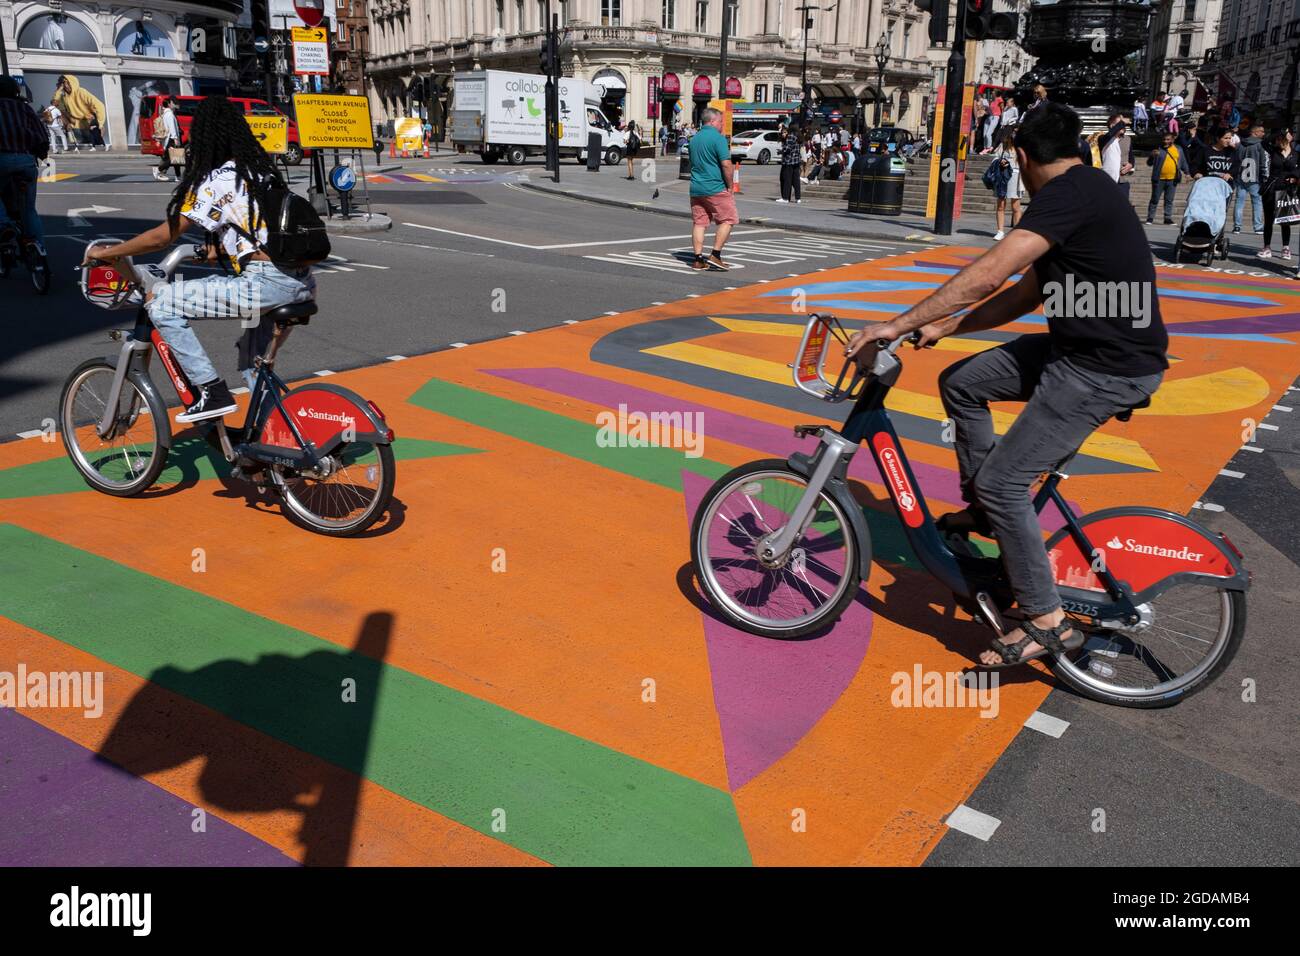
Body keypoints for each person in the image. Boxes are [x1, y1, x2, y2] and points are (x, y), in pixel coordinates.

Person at [844, 101, 1168, 668]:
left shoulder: (1066, 197)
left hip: (1103, 367)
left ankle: (1046, 618)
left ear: (1020, 155)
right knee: (964, 383)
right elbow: (1024, 294)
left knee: (1004, 481)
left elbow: (992, 272)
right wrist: (947, 325)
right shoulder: (1086, 188)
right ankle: (990, 513)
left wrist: (896, 323)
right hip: (1078, 350)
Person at [80, 96, 316, 423]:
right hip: (301, 281)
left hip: (264, 284)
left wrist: (108, 253)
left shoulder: (220, 180)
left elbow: (165, 236)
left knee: (162, 304)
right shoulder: (261, 172)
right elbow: (258, 235)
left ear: (205, 137)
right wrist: (213, 252)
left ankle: (211, 391)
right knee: (253, 362)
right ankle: (273, 445)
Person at [0, 77, 50, 248]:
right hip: (25, 160)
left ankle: (4, 225)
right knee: (29, 209)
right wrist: (42, 154)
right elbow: (41, 135)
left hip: (1, 159)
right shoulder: (24, 107)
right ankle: (39, 250)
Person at [686, 106, 737, 271]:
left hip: (696, 187)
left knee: (700, 222)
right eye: (721, 121)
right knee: (729, 219)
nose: (722, 125)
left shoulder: (694, 139)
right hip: (715, 186)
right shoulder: (718, 138)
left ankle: (698, 259)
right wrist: (730, 186)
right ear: (713, 121)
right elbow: (726, 164)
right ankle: (715, 254)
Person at [1260, 129, 1297, 261]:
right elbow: (1264, 142)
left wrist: (1295, 178)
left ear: (1289, 139)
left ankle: (1285, 248)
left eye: (1282, 140)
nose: (1279, 142)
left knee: (1285, 220)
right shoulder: (1273, 151)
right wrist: (1279, 133)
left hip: (1287, 190)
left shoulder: (1296, 154)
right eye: (1278, 140)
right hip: (1272, 188)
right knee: (1268, 220)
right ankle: (1267, 247)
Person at [1232, 121, 1269, 235]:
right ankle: (1258, 227)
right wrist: (1265, 177)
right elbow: (1264, 162)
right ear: (1255, 132)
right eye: (1261, 131)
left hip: (1241, 177)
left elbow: (1235, 160)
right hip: (1255, 178)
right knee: (1257, 202)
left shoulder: (1240, 144)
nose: (1263, 133)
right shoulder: (1261, 145)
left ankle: (1237, 226)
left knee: (1239, 202)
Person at [1145, 130, 1189, 225]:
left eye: (1168, 139)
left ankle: (1167, 218)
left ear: (1173, 140)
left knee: (1169, 199)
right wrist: (1152, 156)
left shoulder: (1179, 149)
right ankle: (1150, 218)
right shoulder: (1158, 149)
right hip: (1159, 179)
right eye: (1164, 139)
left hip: (1173, 179)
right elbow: (1149, 164)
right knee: (1155, 199)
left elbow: (1183, 162)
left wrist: (1187, 172)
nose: (1165, 141)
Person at [54, 74, 106, 152]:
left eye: (68, 83)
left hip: (89, 126)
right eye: (64, 83)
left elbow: (100, 106)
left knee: (95, 145)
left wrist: (100, 124)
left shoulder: (81, 92)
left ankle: (100, 146)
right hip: (77, 128)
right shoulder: (64, 97)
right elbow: (56, 105)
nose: (66, 85)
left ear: (73, 83)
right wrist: (58, 91)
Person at [990, 129, 1023, 240]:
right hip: (1003, 177)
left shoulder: (1024, 146)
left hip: (1016, 177)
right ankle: (1000, 231)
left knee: (1016, 207)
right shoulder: (1003, 145)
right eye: (1014, 132)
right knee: (1001, 205)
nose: (1015, 134)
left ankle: (1016, 233)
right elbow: (994, 158)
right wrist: (1000, 162)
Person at [154, 96, 182, 182]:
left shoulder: (167, 113)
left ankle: (178, 176)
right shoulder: (169, 114)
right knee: (171, 159)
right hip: (171, 139)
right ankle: (158, 170)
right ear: (169, 104)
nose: (176, 104)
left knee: (177, 158)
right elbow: (172, 127)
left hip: (170, 139)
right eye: (174, 103)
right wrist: (175, 139)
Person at [776, 124, 802, 204]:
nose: (784, 134)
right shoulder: (798, 137)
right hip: (796, 161)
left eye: (785, 132)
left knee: (787, 179)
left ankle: (785, 198)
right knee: (796, 180)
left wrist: (780, 151)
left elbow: (787, 149)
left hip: (789, 161)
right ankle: (798, 198)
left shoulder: (791, 136)